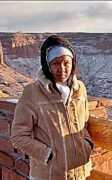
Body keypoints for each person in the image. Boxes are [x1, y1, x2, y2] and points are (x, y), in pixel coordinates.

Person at [10, 35, 94, 180]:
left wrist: (87, 145)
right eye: (55, 63)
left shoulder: (79, 88)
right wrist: (47, 154)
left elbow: (84, 122)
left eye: (66, 63)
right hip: (48, 174)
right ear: (47, 65)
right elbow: (18, 136)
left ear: (73, 63)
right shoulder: (32, 92)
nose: (62, 68)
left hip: (79, 172)